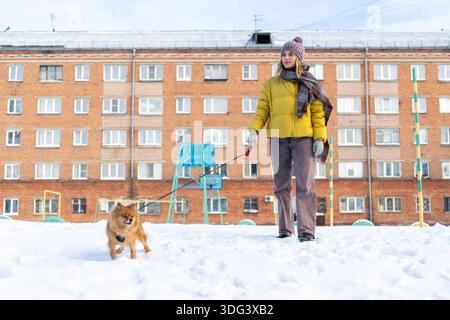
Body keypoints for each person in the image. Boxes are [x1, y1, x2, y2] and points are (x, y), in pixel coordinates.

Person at [245, 36, 333, 242]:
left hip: (304, 139)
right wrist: (253, 131)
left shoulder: (311, 83)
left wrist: (320, 138)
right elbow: (262, 111)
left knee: (305, 185)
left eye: (290, 54)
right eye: (283, 54)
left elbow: (318, 115)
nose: (286, 57)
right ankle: (285, 229)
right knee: (281, 185)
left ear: (299, 57)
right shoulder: (271, 84)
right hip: (277, 138)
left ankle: (306, 230)